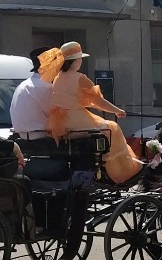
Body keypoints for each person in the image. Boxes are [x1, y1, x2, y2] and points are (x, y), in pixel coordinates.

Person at [38, 42, 142, 184]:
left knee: (106, 128)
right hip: (76, 120)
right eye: (80, 58)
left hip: (60, 122)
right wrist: (117, 110)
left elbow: (74, 100)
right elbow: (98, 101)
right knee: (113, 127)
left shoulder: (58, 78)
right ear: (75, 61)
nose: (81, 61)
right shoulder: (80, 78)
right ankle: (121, 172)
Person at [10, 47, 54, 139]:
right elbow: (57, 113)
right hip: (42, 139)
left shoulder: (23, 85)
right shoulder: (44, 86)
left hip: (24, 137)